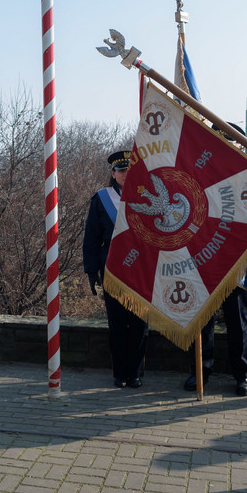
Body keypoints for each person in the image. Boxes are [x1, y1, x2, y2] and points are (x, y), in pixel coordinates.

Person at [82, 150, 148, 388]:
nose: (125, 174)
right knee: (118, 323)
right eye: (121, 171)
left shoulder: (147, 196)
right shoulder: (102, 198)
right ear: (113, 173)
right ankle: (120, 373)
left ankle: (136, 373)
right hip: (112, 269)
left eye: (129, 170)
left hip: (142, 269)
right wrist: (91, 270)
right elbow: (92, 237)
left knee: (140, 324)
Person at [182, 267, 247, 396]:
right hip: (205, 269)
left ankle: (243, 374)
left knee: (238, 324)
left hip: (235, 268)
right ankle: (200, 372)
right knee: (202, 323)